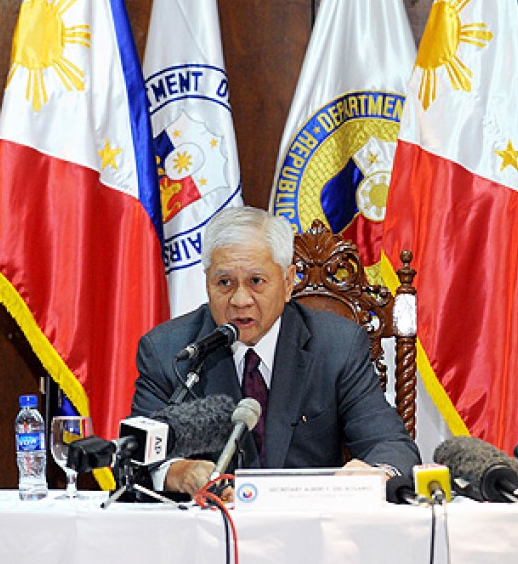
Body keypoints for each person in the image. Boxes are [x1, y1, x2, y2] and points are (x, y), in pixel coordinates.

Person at [131, 206, 420, 496]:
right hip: (209, 530)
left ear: (287, 282)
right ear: (207, 283)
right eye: (224, 283)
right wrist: (175, 472)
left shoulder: (336, 346)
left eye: (256, 281)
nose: (240, 300)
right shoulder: (170, 352)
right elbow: (135, 459)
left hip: (309, 528)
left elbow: (392, 447)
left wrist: (374, 473)